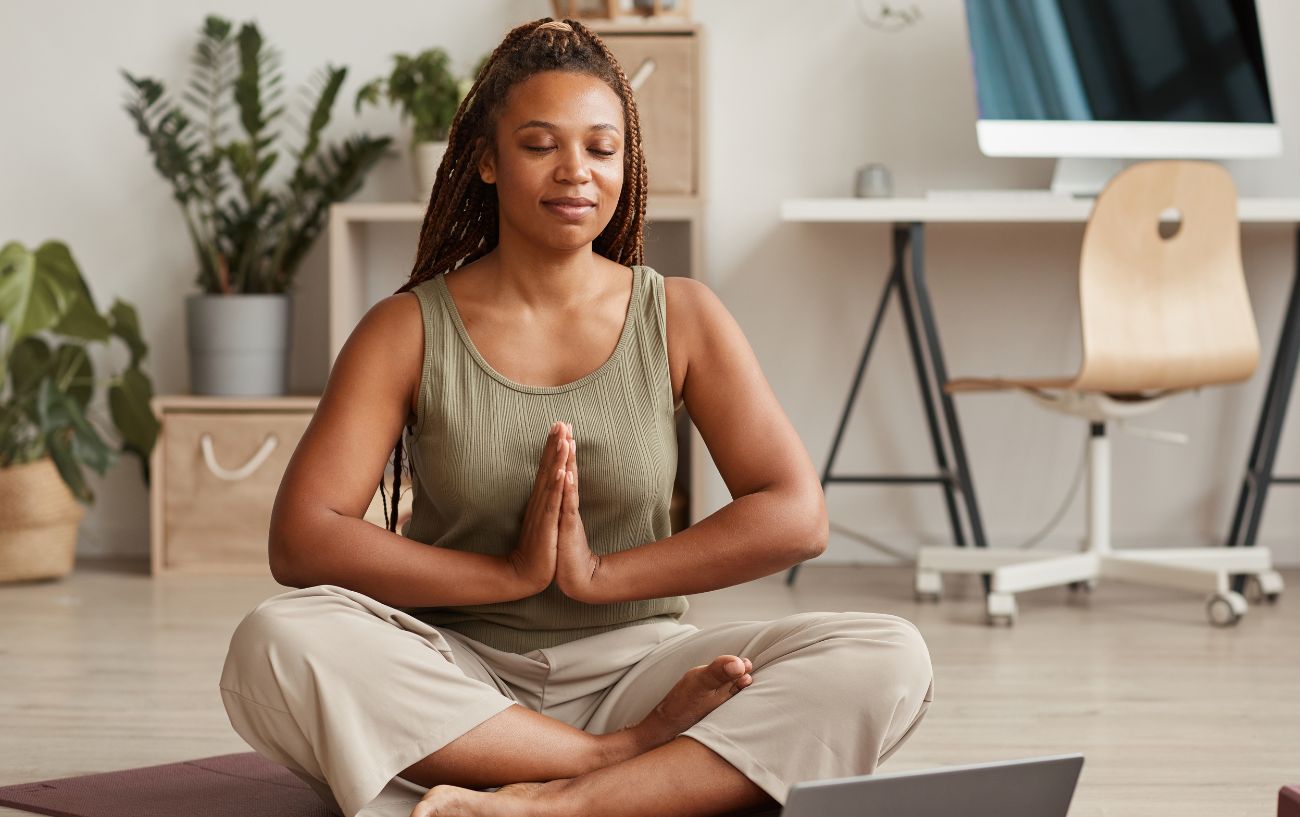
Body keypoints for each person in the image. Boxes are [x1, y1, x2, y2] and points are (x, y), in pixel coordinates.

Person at [218, 16, 934, 817]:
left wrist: (599, 577)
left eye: (601, 149)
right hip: (459, 679)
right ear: (486, 159)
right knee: (276, 641)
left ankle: (554, 805)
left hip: (643, 670)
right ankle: (619, 768)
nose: (576, 173)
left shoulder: (683, 315)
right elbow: (303, 534)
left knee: (887, 654)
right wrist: (507, 576)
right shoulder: (407, 328)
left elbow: (796, 514)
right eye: (539, 145)